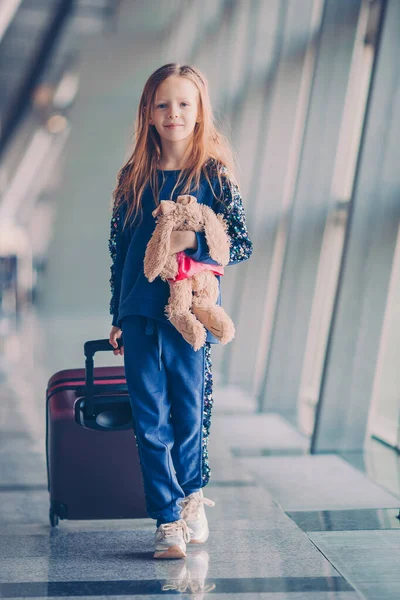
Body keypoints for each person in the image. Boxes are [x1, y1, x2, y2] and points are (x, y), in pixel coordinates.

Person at [108, 63, 253, 559]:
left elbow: (239, 242)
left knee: (190, 412)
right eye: (163, 104)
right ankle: (167, 518)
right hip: (138, 310)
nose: (173, 113)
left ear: (199, 112)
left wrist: (190, 237)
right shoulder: (133, 177)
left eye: (184, 104)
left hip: (188, 312)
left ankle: (192, 494)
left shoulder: (213, 176)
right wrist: (115, 314)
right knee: (149, 418)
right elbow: (120, 248)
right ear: (148, 113)